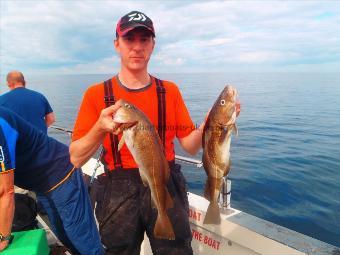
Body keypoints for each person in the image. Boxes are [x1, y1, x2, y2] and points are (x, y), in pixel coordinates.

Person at [70, 11, 240, 255]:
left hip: (164, 179)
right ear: (117, 44)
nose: (137, 47)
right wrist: (99, 128)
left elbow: (191, 146)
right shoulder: (96, 94)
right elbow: (76, 158)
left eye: (144, 39)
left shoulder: (169, 91)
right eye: (130, 39)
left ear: (153, 45)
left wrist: (212, 124)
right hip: (117, 189)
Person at [0, 107, 104, 254]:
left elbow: (6, 191)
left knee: (80, 237)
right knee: (61, 233)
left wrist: (2, 238)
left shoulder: (1, 122)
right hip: (41, 184)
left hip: (61, 174)